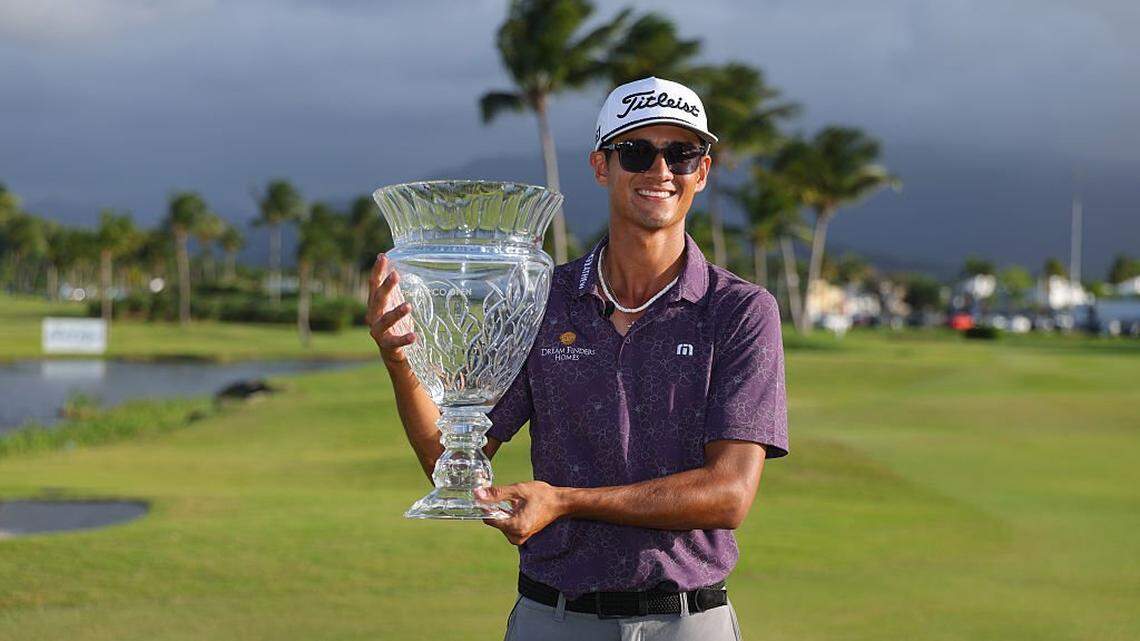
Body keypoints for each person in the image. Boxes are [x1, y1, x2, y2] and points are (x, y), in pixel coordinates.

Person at [367, 76, 789, 641]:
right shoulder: (543, 299)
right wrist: (401, 364)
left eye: (681, 154)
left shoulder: (738, 310)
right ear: (601, 166)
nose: (660, 171)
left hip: (688, 621)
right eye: (636, 152)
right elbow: (452, 456)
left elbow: (729, 494)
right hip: (554, 617)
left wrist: (563, 502)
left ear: (702, 172)